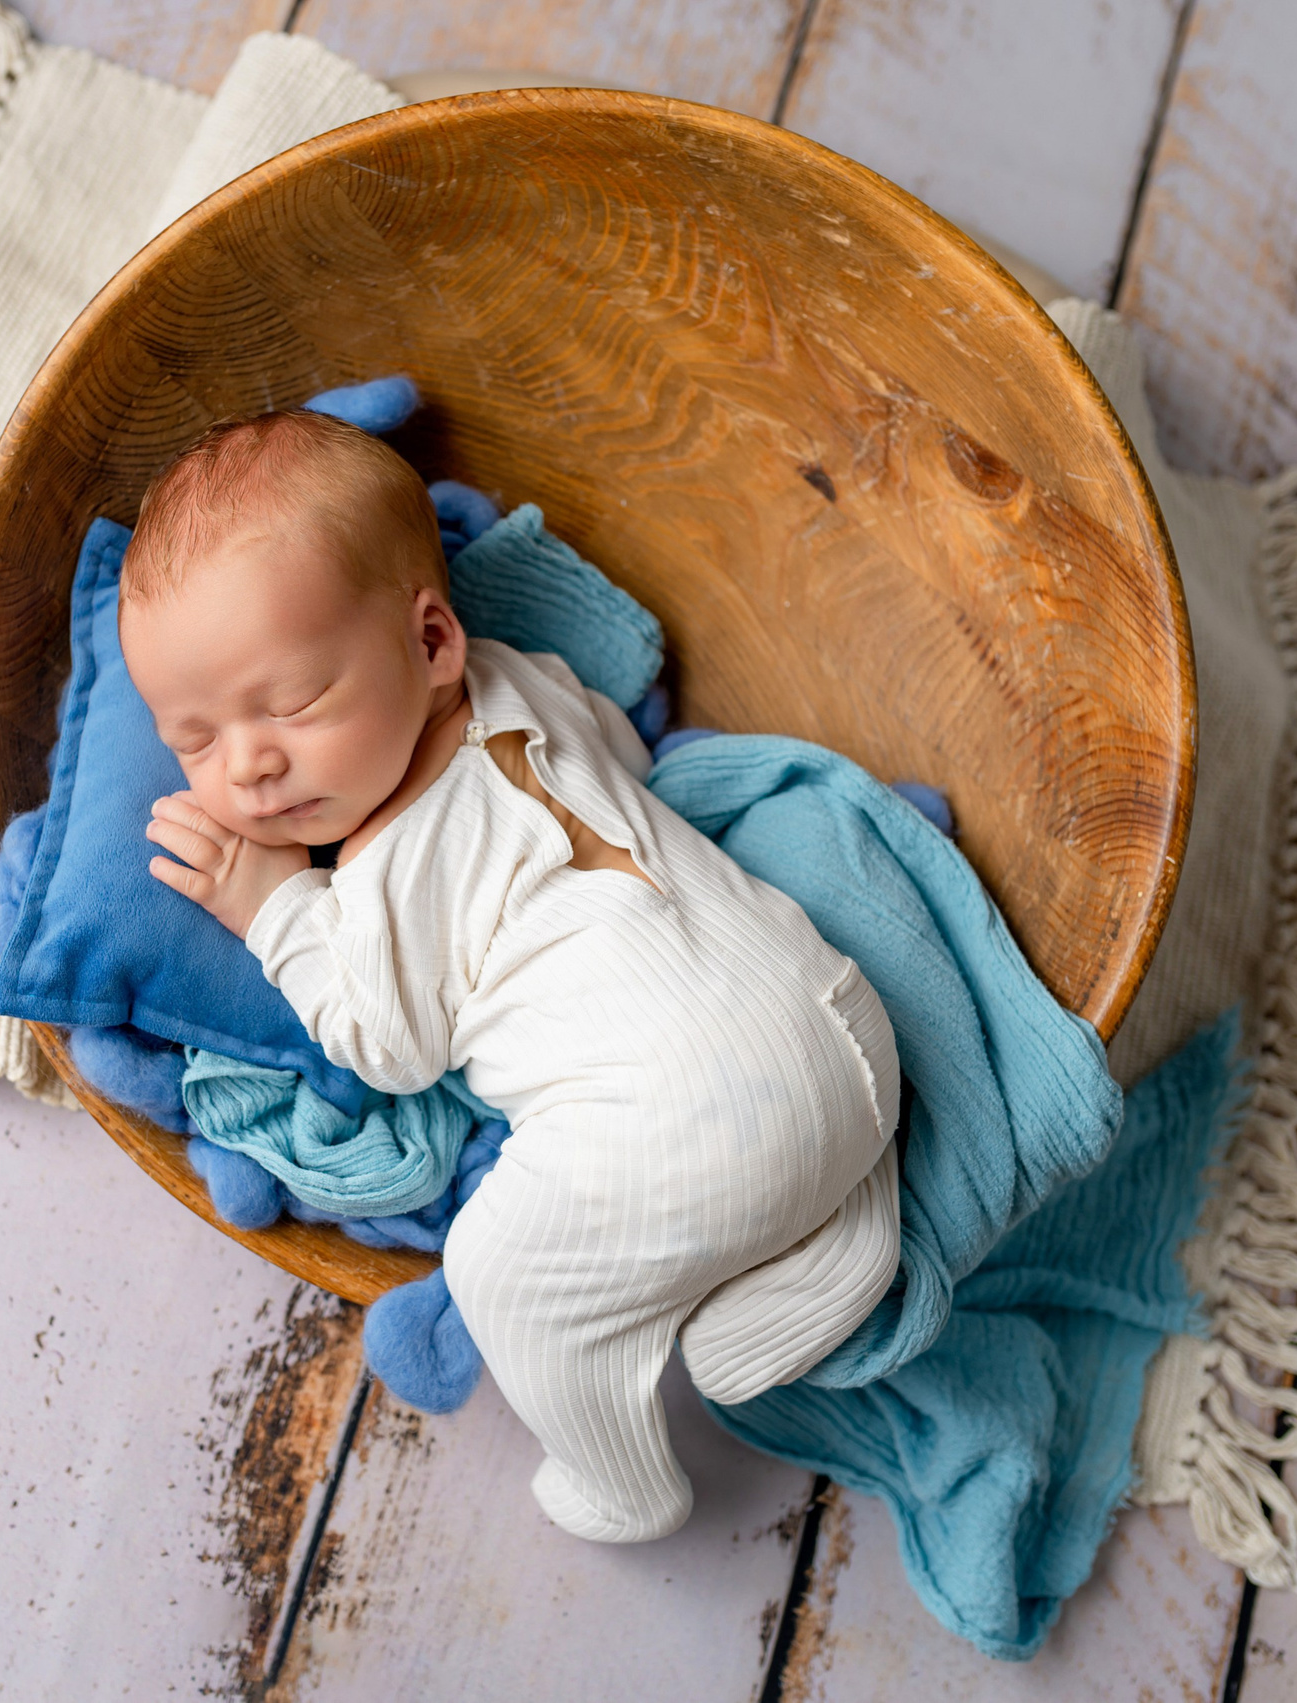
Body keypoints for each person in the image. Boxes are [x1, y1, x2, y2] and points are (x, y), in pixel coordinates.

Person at [119, 409, 903, 1542]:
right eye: (195, 738)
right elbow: (622, 754)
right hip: (837, 1021)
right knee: (807, 1107)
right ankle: (839, 1231)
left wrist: (277, 903)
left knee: (500, 1267)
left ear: (431, 640)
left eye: (290, 703)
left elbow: (389, 1047)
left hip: (678, 1116)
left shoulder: (387, 873)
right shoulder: (518, 681)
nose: (247, 763)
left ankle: (622, 1476)